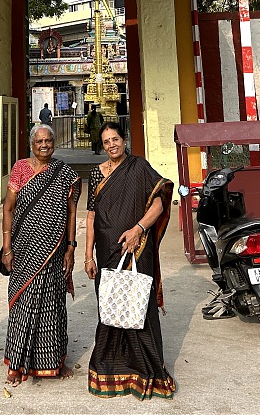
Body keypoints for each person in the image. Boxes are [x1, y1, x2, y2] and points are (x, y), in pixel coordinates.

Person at [84, 122, 175, 400]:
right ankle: (108, 369)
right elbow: (90, 216)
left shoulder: (139, 167)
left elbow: (159, 204)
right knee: (110, 305)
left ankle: (146, 370)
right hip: (106, 251)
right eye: (107, 141)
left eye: (116, 139)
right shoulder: (96, 173)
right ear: (102, 145)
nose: (112, 144)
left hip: (137, 248)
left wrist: (138, 229)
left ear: (125, 140)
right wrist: (87, 254)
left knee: (139, 306)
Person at [1, 125, 81, 385]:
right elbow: (8, 207)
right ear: (31, 144)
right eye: (39, 141)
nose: (44, 145)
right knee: (23, 304)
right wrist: (6, 246)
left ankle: (56, 360)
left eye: (48, 141)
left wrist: (70, 247)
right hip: (24, 250)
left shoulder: (65, 173)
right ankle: (17, 364)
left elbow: (71, 212)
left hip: (55, 250)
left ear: (54, 143)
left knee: (54, 304)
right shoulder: (20, 169)